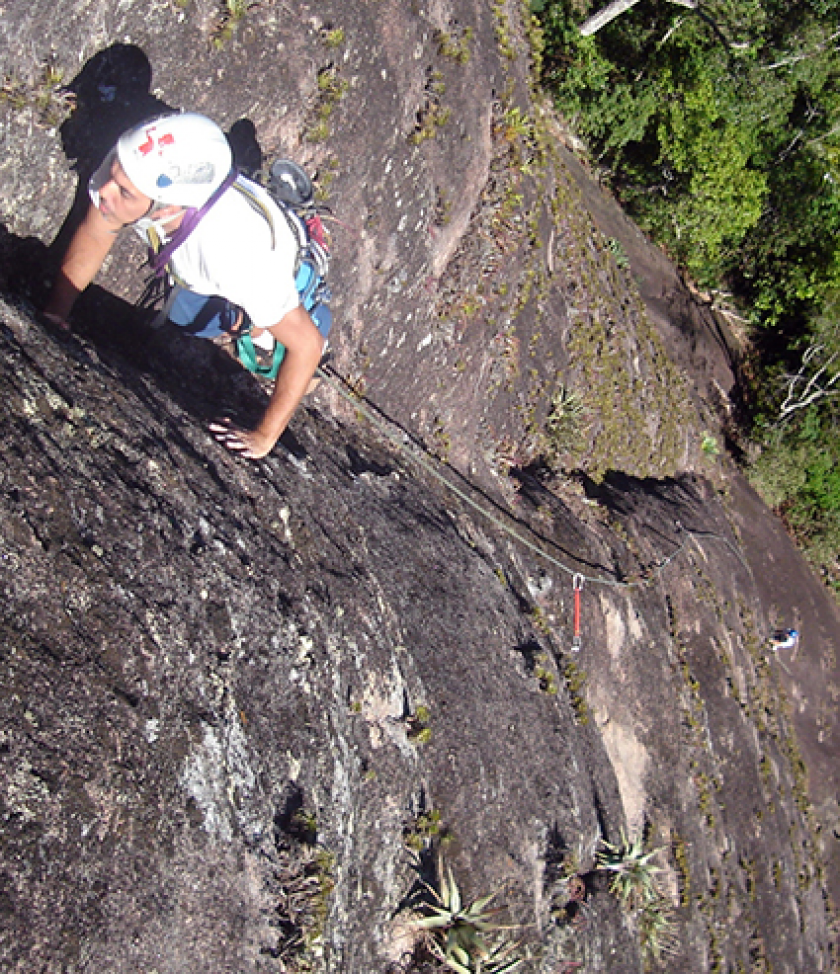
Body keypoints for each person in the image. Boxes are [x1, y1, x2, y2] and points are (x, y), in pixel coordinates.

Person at [43, 111, 329, 460]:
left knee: (218, 330)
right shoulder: (133, 167)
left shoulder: (234, 257)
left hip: (266, 260)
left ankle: (303, 236)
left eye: (123, 192)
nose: (104, 189)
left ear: (169, 208)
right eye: (114, 177)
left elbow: (308, 345)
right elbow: (97, 229)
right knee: (185, 311)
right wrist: (56, 311)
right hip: (216, 251)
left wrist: (263, 438)